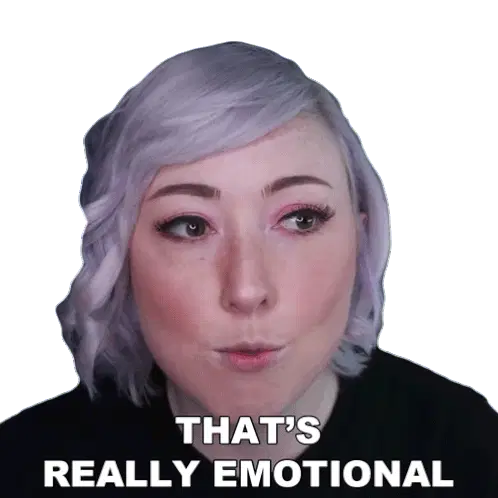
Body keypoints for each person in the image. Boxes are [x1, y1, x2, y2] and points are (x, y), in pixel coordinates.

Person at [0, 41, 496, 497]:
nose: (246, 288)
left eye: (301, 219)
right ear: (121, 257)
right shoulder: (25, 468)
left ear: (360, 239)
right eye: (190, 226)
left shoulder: (465, 451)